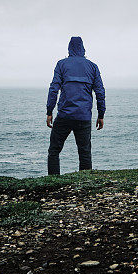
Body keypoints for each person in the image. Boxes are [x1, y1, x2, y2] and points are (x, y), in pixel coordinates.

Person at [46, 36, 105, 175]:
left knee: (54, 150)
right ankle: (85, 184)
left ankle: (53, 182)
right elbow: (100, 92)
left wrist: (49, 111)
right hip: (83, 117)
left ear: (69, 48)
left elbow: (53, 89)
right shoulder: (92, 67)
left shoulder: (61, 64)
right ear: (83, 49)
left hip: (64, 115)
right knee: (84, 152)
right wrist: (101, 115)